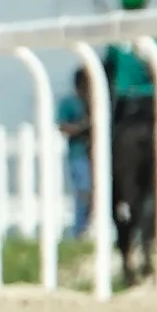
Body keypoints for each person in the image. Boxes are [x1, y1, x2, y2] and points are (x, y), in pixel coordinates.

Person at [55, 67, 94, 240]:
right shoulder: (69, 103)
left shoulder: (96, 102)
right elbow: (63, 126)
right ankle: (78, 231)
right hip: (79, 153)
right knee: (84, 191)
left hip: (96, 154)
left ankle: (85, 229)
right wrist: (82, 127)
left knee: (95, 194)